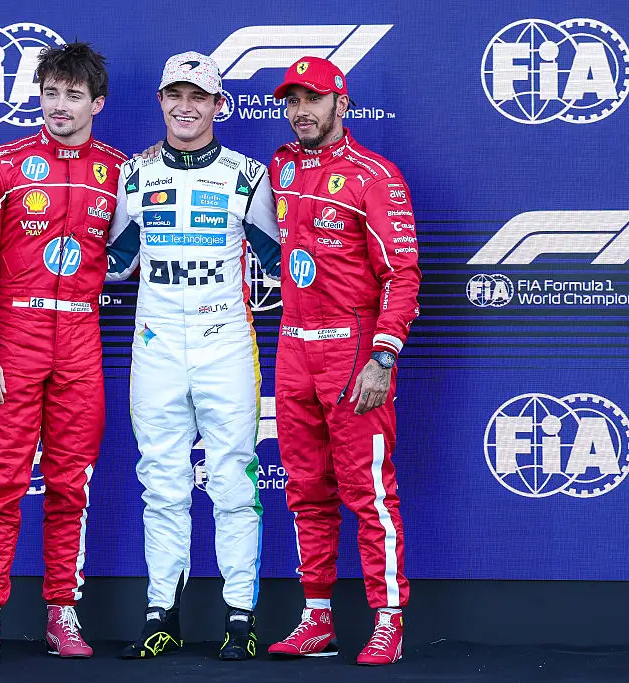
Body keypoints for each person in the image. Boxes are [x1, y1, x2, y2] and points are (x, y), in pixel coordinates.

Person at [105, 51, 281, 661]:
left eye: (199, 96)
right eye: (174, 95)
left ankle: (241, 616)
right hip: (154, 344)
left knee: (233, 480)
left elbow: (284, 266)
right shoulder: (134, 175)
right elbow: (114, 262)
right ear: (160, 102)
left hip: (225, 342)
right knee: (162, 483)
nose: (186, 107)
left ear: (219, 105)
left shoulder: (247, 175)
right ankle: (162, 616)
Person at [0, 42, 127, 663]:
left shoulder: (118, 170)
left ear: (97, 103)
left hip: (82, 340)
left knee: (70, 485)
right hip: (14, 339)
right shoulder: (0, 163)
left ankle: (62, 611)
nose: (60, 106)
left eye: (73, 96)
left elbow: (135, 249)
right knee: (2, 483)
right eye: (50, 93)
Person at [264, 56, 421, 666]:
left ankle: (388, 619)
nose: (301, 111)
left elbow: (402, 275)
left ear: (341, 104)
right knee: (305, 489)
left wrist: (383, 356)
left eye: (313, 99)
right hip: (292, 345)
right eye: (292, 101)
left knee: (370, 492)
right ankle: (318, 618)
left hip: (353, 350)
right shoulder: (279, 165)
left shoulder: (373, 176)